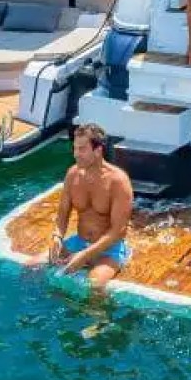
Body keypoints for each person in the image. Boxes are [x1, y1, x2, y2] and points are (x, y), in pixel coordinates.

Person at [46, 123, 133, 292]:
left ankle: (103, 319)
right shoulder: (72, 174)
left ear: (98, 150)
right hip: (79, 242)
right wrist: (57, 236)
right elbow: (63, 213)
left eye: (82, 149)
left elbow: (119, 231)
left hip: (109, 250)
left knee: (95, 285)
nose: (76, 154)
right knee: (32, 266)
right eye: (74, 148)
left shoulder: (118, 181)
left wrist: (84, 256)